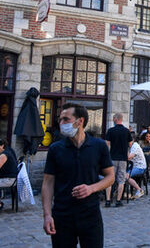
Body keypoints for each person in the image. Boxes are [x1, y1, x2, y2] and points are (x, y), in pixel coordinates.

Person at [42, 103, 114, 248]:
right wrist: (47, 215)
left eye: (66, 119)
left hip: (90, 214)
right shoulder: (56, 149)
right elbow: (48, 182)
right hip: (62, 215)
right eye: (60, 120)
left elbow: (110, 176)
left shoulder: (99, 146)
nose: (61, 123)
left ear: (80, 121)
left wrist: (91, 188)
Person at [104, 113, 132, 207]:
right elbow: (130, 144)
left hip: (112, 158)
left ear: (116, 119)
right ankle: (118, 201)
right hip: (123, 159)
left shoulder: (111, 131)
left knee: (109, 179)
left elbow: (107, 144)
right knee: (121, 180)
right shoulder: (126, 131)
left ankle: (108, 200)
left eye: (113, 118)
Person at [125, 134, 146, 200]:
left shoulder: (135, 146)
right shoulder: (131, 146)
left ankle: (139, 190)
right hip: (132, 166)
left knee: (126, 176)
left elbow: (129, 157)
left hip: (139, 167)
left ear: (132, 140)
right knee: (120, 174)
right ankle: (123, 191)